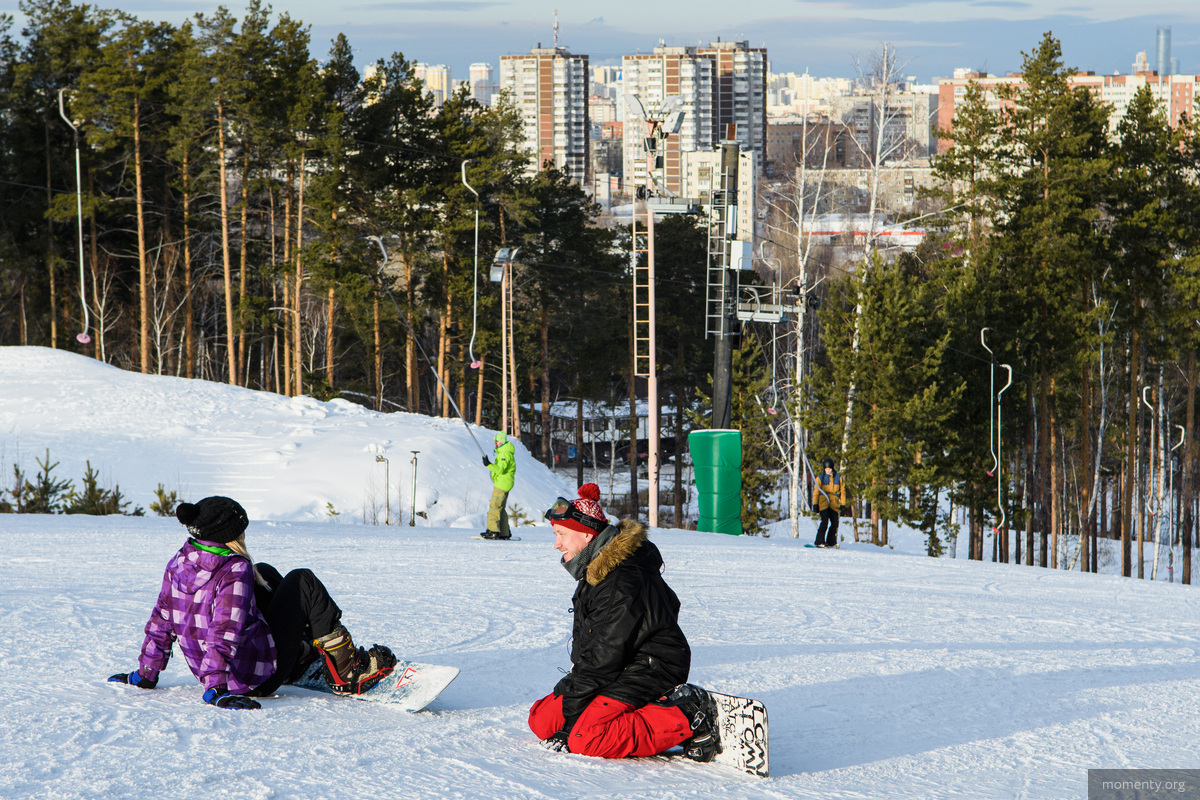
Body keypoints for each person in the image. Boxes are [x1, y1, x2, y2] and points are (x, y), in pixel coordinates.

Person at [108, 495, 396, 708]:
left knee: (266, 573)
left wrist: (145, 675)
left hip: (227, 669)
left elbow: (161, 624)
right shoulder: (233, 569)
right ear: (229, 533)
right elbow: (224, 631)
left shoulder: (179, 562)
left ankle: (299, 655)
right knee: (302, 581)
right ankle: (346, 671)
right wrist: (216, 690)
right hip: (252, 678)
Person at [527, 483, 718, 761]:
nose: (556, 544)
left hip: (650, 667)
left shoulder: (620, 580)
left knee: (586, 739)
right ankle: (630, 712)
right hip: (614, 667)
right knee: (542, 720)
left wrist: (570, 726)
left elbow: (605, 655)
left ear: (586, 533)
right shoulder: (596, 570)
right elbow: (597, 653)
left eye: (561, 534)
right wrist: (571, 698)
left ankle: (689, 715)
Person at [481, 431, 516, 540]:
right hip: (504, 483)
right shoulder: (504, 453)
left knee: (494, 506)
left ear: (502, 441)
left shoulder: (504, 454)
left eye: (497, 441)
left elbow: (500, 469)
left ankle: (493, 530)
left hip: (502, 484)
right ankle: (504, 532)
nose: (495, 443)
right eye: (495, 441)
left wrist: (489, 465)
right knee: (501, 508)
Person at [812, 458, 847, 548]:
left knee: (835, 523)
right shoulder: (820, 478)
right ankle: (819, 541)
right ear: (824, 469)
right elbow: (816, 492)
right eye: (827, 469)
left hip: (834, 503)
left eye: (830, 468)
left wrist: (843, 503)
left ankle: (831, 541)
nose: (828, 470)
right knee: (824, 521)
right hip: (823, 502)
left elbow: (843, 491)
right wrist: (815, 504)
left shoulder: (838, 477)